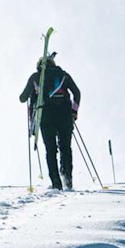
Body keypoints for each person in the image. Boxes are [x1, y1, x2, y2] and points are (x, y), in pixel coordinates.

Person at [19, 53, 81, 190]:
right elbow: (77, 92)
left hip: (45, 116)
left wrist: (32, 92)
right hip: (64, 114)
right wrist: (74, 111)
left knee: (50, 149)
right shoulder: (64, 75)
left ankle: (56, 183)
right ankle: (67, 177)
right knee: (65, 147)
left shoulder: (35, 77)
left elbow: (22, 98)